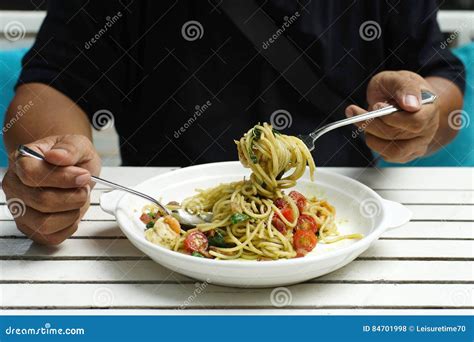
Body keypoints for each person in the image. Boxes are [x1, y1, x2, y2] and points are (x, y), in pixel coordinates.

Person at [2, 0, 465, 245]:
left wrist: (421, 117)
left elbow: (439, 82)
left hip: (339, 232)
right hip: (165, 228)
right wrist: (53, 160)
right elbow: (53, 82)